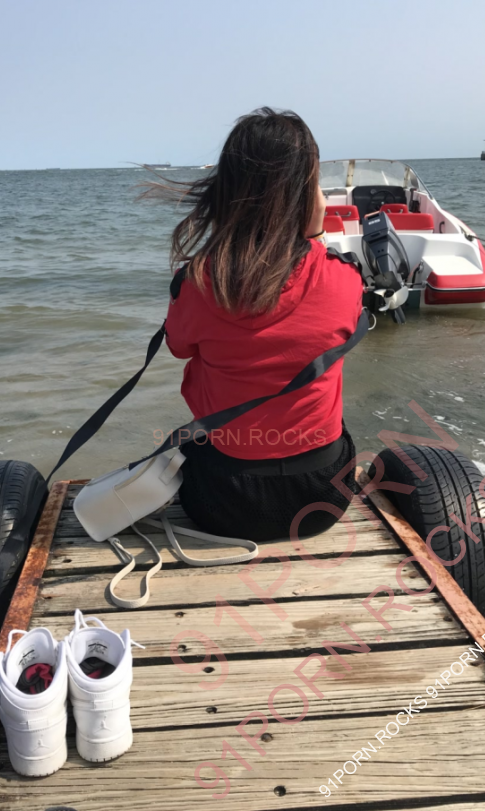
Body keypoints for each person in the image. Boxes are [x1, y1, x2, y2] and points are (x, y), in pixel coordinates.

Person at [154, 108, 363, 541]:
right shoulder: (344, 278)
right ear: (308, 194)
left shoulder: (197, 282)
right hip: (323, 500)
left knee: (193, 443)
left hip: (221, 503)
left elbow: (177, 347)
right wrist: (316, 235)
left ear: (227, 190)